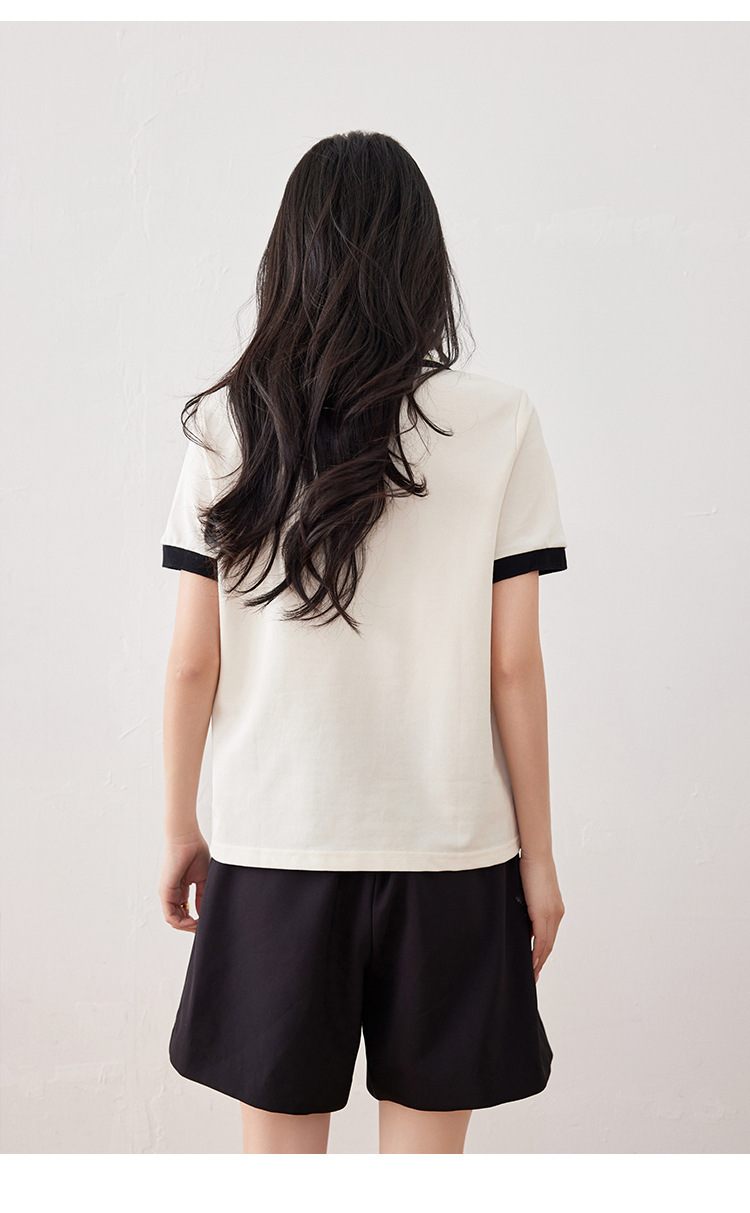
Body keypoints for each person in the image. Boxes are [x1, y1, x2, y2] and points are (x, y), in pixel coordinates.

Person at [157, 130, 567, 1155]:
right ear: (424, 262)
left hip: (274, 841)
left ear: (286, 258)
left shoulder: (229, 424)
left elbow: (193, 662)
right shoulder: (499, 421)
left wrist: (178, 826)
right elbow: (512, 665)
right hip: (451, 846)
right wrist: (540, 860)